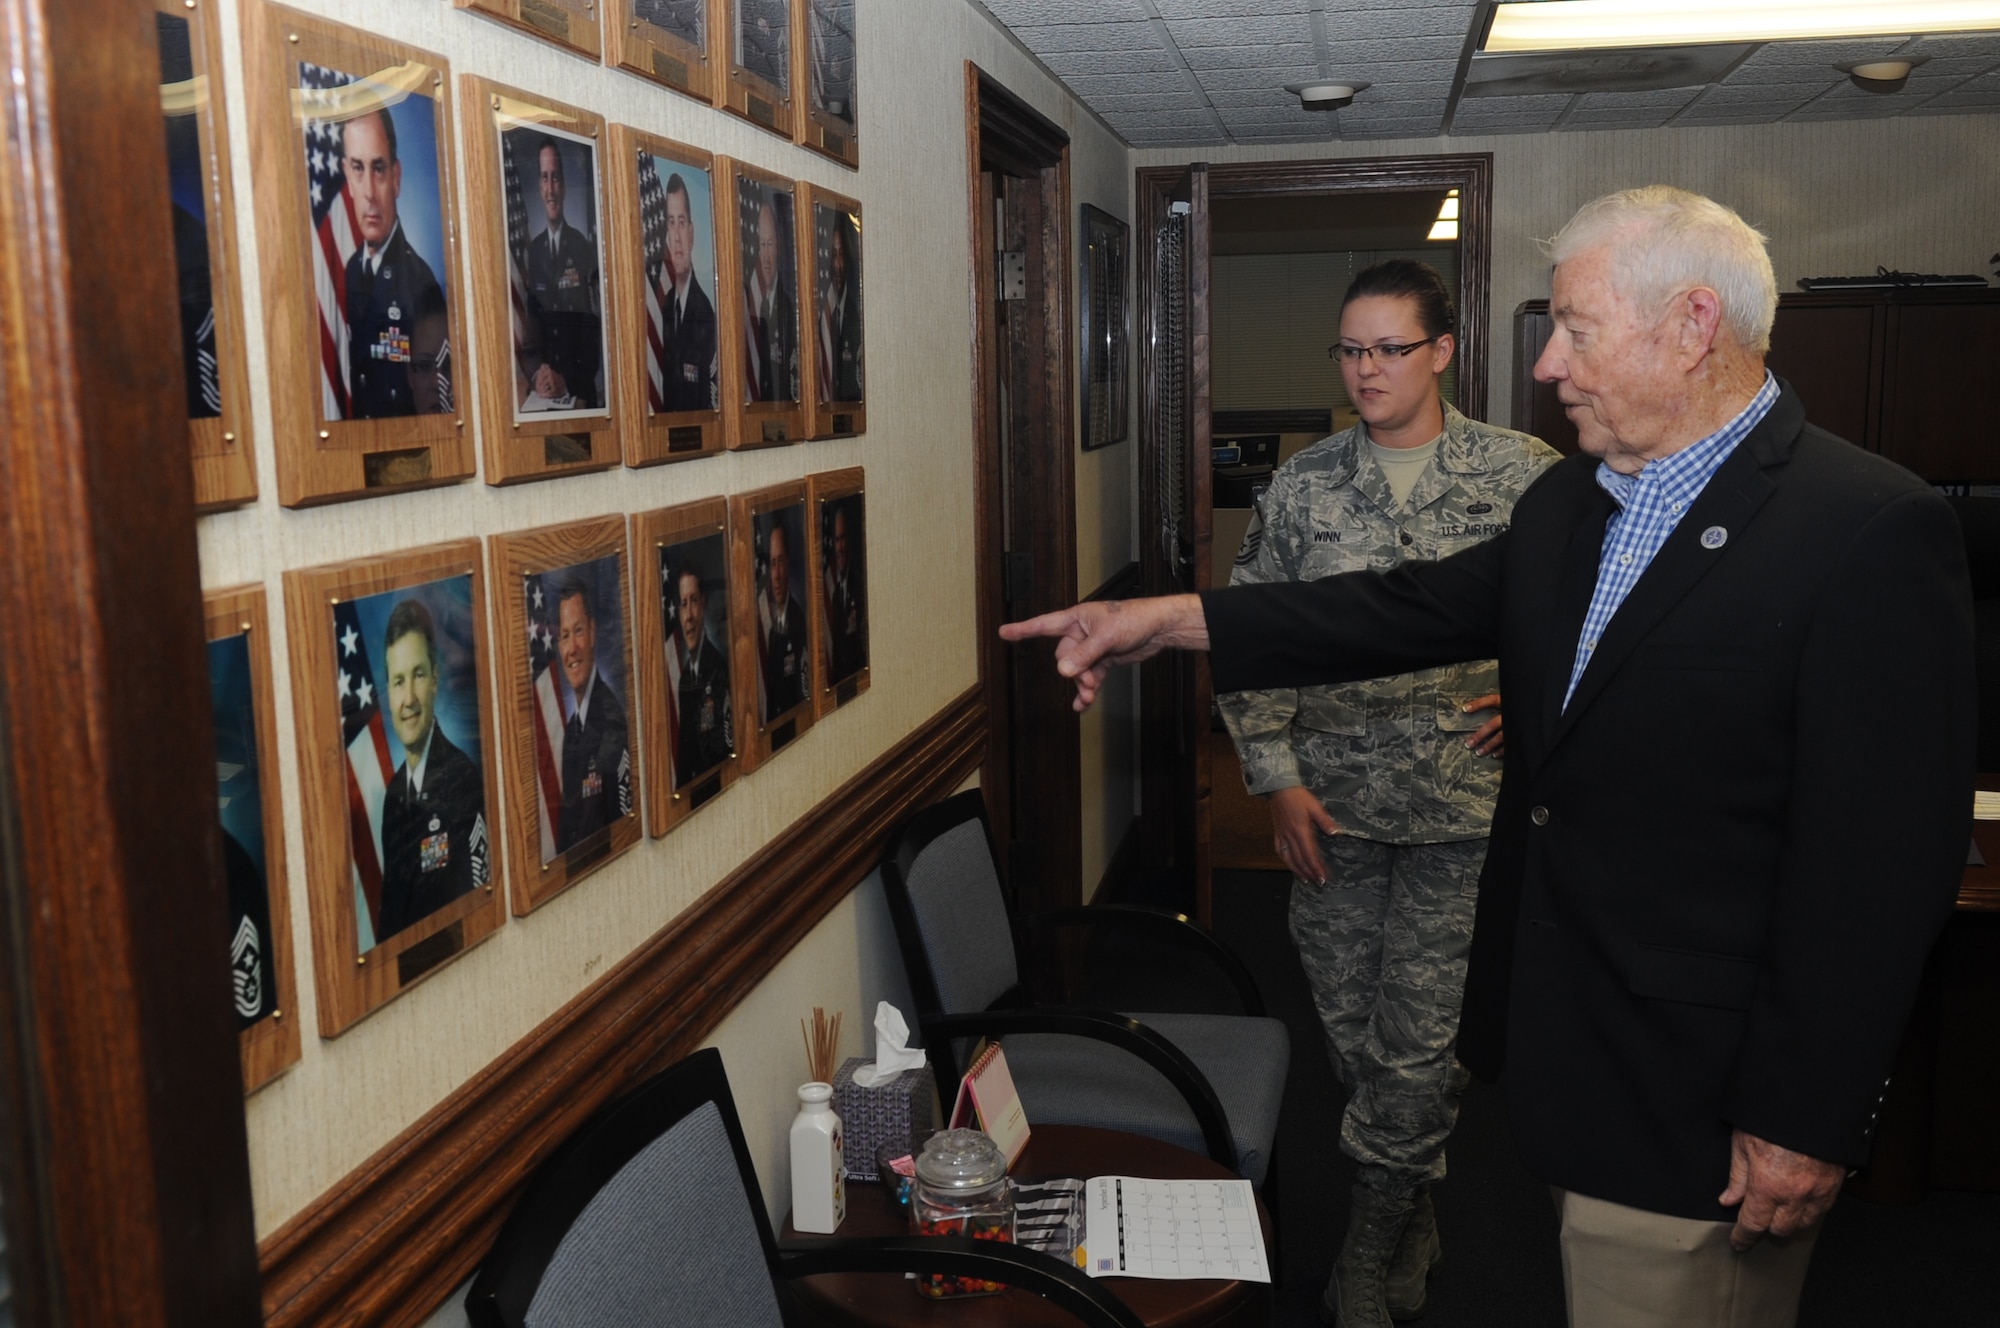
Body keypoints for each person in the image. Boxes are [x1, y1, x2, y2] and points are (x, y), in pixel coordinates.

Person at [1003, 186, 1975, 1328]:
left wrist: (1805, 1114)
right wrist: (1160, 622)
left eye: (1575, 327)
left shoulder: (1861, 525)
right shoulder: (1576, 502)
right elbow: (1391, 610)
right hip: (1573, 1049)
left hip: (1703, 1091)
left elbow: (1875, 868)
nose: (1550, 361)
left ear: (1691, 324)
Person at [1218, 259, 1558, 1324]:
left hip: (1466, 813)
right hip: (1334, 811)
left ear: (1442, 351)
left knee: (1417, 1047)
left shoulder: (1524, 476)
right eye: (1350, 350)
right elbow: (1248, 634)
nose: (1365, 370)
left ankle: (1368, 1245)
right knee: (1349, 1037)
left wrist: (1541, 701)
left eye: (1388, 349)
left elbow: (1604, 610)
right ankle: (1408, 1201)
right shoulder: (1306, 484)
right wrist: (1272, 778)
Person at [379, 600, 489, 941]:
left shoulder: (461, 778)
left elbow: (476, 910)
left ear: (435, 680)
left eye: (418, 675)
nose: (408, 698)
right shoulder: (395, 795)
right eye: (398, 682)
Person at [340, 108, 449, 418]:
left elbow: (436, 398)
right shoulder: (348, 271)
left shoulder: (420, 282)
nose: (370, 193)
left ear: (396, 178)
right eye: (358, 169)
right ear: (347, 177)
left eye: (379, 169)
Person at [521, 137, 601, 408]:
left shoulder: (583, 248)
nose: (550, 188)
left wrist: (566, 380)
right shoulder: (534, 252)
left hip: (577, 391)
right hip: (545, 393)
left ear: (564, 185)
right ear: (539, 186)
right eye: (545, 178)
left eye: (555, 178)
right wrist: (538, 375)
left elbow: (594, 335)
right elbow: (532, 326)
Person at [554, 579, 629, 852]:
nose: (571, 647)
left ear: (593, 631)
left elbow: (623, 834)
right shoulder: (573, 730)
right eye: (564, 636)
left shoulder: (612, 723)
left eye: (578, 631)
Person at [656, 172, 717, 412]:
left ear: (691, 234)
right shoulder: (664, 306)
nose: (677, 236)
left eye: (681, 222)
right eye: (671, 223)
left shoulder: (704, 312)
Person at [672, 568, 733, 782]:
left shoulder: (719, 667)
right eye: (683, 604)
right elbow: (684, 754)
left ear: (704, 604)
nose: (689, 616)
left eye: (694, 601)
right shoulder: (685, 679)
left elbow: (725, 747)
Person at [744, 196, 794, 403]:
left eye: (770, 245)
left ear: (778, 248)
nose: (765, 256)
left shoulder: (788, 311)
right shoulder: (746, 303)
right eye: (762, 245)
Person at [761, 519, 806, 717]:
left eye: (780, 562)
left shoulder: (799, 620)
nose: (777, 574)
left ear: (787, 564)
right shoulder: (764, 626)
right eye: (772, 564)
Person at [818, 211, 862, 402]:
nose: (837, 264)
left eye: (841, 254)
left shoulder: (856, 316)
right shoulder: (822, 312)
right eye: (833, 254)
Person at [823, 503, 866, 682]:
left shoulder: (860, 586)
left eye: (843, 538)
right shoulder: (835, 594)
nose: (840, 547)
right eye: (837, 539)